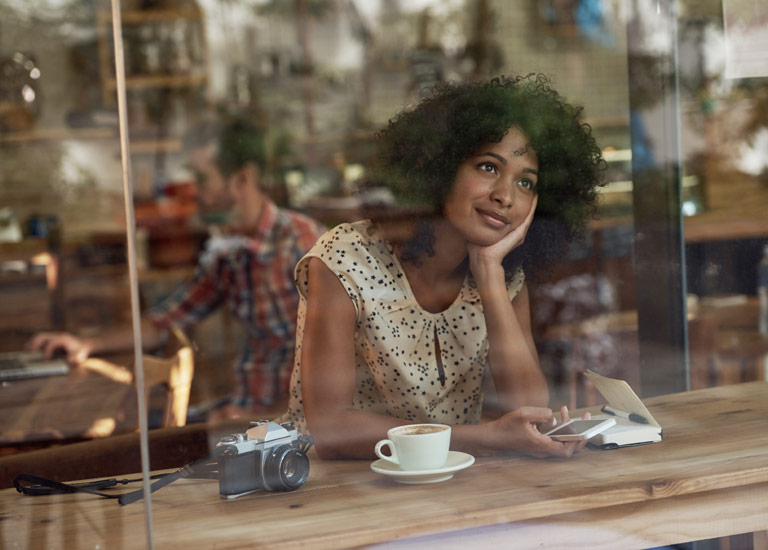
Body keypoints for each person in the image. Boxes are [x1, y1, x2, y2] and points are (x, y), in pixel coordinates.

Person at [279, 74, 605, 459]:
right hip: (341, 490)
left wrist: (488, 273)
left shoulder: (503, 273)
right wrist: (484, 437)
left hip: (451, 483)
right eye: (488, 167)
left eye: (526, 183)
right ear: (438, 168)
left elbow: (529, 407)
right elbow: (331, 431)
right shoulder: (344, 259)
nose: (504, 196)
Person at [29, 116, 326, 418]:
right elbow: (167, 321)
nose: (194, 191)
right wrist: (86, 343)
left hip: (289, 426)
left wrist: (267, 421)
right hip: (246, 411)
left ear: (242, 180)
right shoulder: (231, 252)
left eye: (201, 178)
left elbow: (334, 362)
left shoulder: (302, 245)